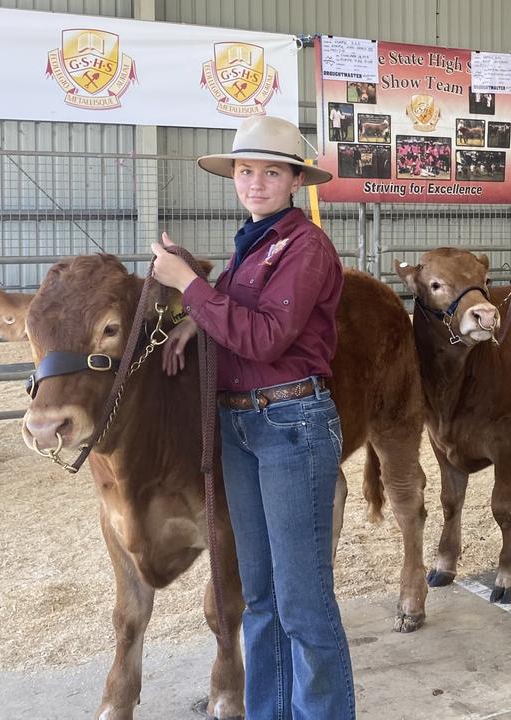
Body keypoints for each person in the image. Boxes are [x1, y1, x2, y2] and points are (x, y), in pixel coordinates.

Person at [148, 115, 355, 719]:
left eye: (271, 171)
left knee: (302, 600)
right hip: (244, 425)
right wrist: (196, 320)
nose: (255, 182)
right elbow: (242, 311)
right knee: (259, 594)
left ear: (294, 180)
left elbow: (266, 338)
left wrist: (189, 286)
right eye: (245, 170)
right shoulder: (253, 243)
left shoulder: (305, 245)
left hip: (291, 421)